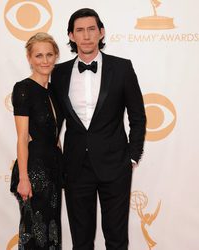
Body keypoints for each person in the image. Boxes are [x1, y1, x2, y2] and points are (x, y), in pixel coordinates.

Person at [50, 8, 146, 250]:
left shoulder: (122, 68)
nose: (86, 36)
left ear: (101, 32)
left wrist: (132, 156)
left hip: (115, 165)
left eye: (92, 29)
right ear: (71, 36)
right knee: (81, 241)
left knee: (116, 238)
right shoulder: (59, 73)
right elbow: (54, 123)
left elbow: (137, 116)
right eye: (80, 30)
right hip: (74, 168)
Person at [10, 32, 63, 250]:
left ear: (56, 56)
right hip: (33, 171)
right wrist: (23, 177)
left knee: (52, 231)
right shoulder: (23, 89)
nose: (45, 60)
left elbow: (54, 132)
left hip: (53, 169)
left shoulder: (53, 91)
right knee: (34, 232)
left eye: (49, 55)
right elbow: (22, 137)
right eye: (39, 55)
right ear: (29, 58)